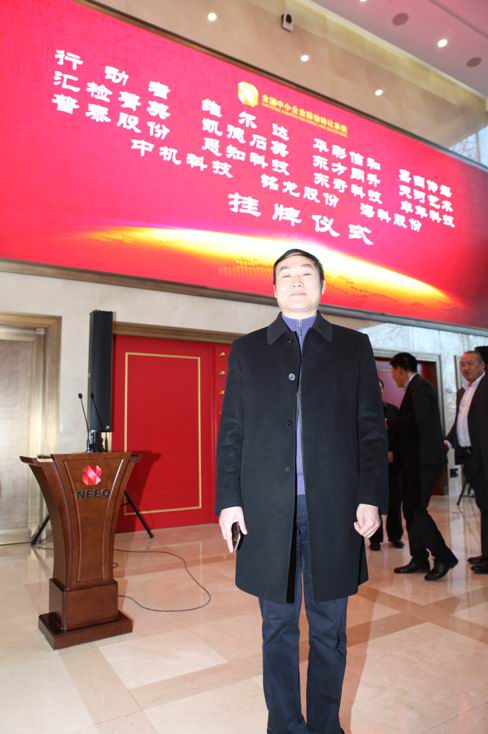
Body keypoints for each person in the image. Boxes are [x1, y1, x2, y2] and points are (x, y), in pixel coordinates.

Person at [215, 248, 388, 734]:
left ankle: (326, 726)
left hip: (333, 510)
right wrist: (229, 500)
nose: (296, 281)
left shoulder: (352, 346)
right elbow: (232, 432)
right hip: (266, 512)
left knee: (330, 630)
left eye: (306, 273)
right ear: (273, 289)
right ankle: (285, 726)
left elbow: (371, 430)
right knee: (277, 628)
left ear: (322, 286)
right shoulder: (248, 349)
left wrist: (371, 495)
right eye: (286, 275)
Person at [387, 353, 458, 580]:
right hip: (414, 461)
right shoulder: (414, 387)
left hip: (424, 460)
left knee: (416, 509)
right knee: (410, 509)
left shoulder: (421, 386)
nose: (393, 377)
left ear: (400, 369)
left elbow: (417, 418)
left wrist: (390, 422)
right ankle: (419, 559)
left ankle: (443, 556)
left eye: (393, 372)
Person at [446, 350, 488, 574]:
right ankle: (485, 553)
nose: (466, 368)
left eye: (471, 363)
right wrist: (447, 441)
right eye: (462, 364)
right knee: (483, 506)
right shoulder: (463, 391)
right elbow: (460, 422)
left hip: (484, 457)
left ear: (483, 365)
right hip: (471, 458)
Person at [369, 378, 404, 551]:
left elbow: (400, 435)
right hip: (372, 464)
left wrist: (392, 451)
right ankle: (375, 539)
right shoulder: (363, 411)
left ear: (383, 390)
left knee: (395, 500)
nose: (376, 391)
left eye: (379, 388)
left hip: (392, 463)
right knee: (373, 500)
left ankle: (395, 536)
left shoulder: (393, 410)